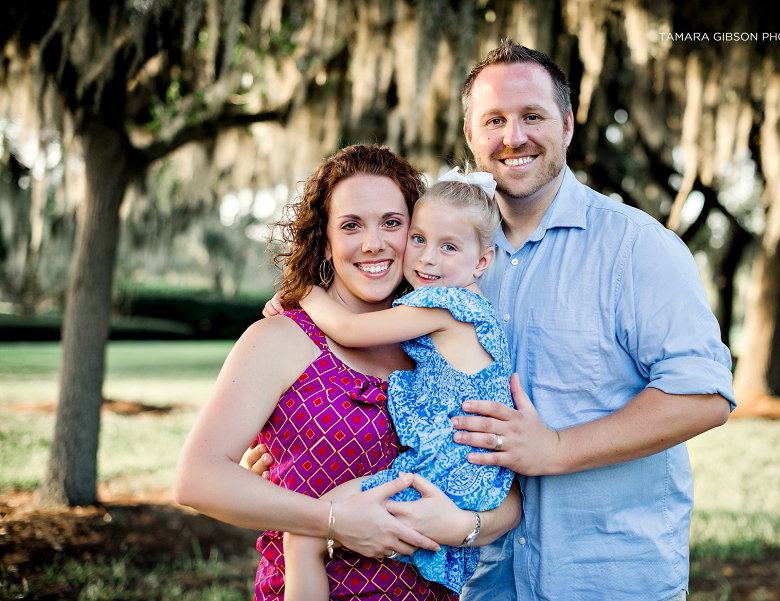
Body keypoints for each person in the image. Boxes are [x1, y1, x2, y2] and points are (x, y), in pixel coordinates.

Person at [261, 40, 735, 601]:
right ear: (470, 135)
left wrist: (556, 448)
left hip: (604, 576)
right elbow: (375, 318)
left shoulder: (636, 248)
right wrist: (298, 425)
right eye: (494, 120)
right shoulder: (446, 241)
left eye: (532, 116)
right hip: (482, 578)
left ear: (567, 124)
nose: (513, 137)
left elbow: (704, 394)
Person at [174, 144, 521, 601]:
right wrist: (333, 522)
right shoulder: (280, 338)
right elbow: (196, 478)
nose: (373, 243)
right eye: (351, 225)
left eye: (392, 224)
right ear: (326, 240)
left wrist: (463, 526)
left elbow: (506, 490)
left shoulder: (432, 347)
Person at [283, 168, 515, 600]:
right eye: (419, 239)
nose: (427, 258)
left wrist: (303, 294)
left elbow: (350, 331)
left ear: (481, 262)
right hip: (471, 471)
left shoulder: (446, 306)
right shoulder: (480, 310)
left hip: (444, 471)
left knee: (304, 534)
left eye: (449, 247)